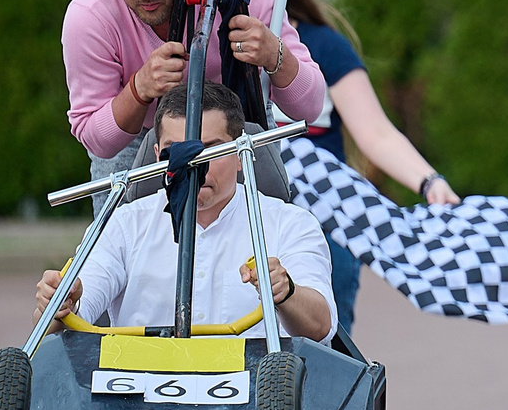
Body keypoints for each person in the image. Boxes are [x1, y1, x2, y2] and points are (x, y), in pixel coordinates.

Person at [226, 0, 463, 338]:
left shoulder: (323, 46)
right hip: (243, 220)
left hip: (322, 223)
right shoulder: (211, 50)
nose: (256, 3)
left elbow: (375, 133)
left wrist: (430, 182)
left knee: (328, 351)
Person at [33, 86, 335, 344]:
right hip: (136, 400)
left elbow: (321, 328)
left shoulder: (291, 224)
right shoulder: (124, 224)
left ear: (243, 153)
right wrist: (60, 302)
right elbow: (58, 325)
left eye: (209, 151)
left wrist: (286, 292)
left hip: (256, 400)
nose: (192, 166)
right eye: (174, 152)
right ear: (156, 157)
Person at [63, 0, 325, 169]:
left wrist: (274, 55)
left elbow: (309, 108)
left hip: (235, 123)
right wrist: (139, 90)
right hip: (138, 136)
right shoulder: (89, 16)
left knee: (263, 200)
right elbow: (97, 142)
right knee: (116, 199)